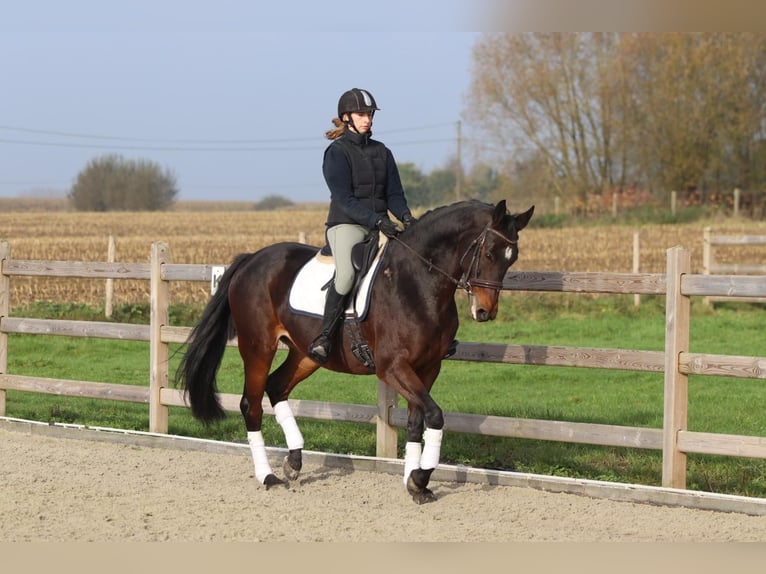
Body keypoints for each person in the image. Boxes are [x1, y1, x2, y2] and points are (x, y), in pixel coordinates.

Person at [307, 87, 416, 364]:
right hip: (347, 224)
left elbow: (394, 195)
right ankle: (325, 337)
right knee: (345, 275)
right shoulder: (337, 153)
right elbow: (343, 199)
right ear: (346, 117)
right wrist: (378, 221)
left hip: (380, 223)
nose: (367, 119)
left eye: (369, 114)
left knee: (415, 258)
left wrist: (405, 218)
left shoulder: (383, 152)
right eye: (361, 114)